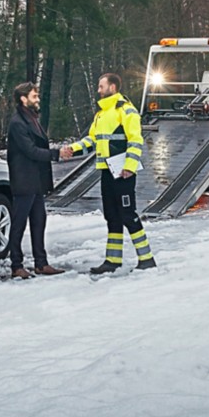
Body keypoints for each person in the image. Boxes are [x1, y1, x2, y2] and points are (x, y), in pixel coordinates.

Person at [62, 73, 157, 273]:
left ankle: (146, 259)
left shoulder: (126, 110)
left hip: (123, 172)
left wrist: (130, 167)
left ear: (112, 87)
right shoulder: (101, 114)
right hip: (107, 171)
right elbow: (92, 140)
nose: (98, 90)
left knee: (127, 214)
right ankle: (112, 261)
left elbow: (135, 140)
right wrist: (73, 148)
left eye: (101, 86)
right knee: (112, 216)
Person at [6, 82, 66, 279]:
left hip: (35, 181)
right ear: (23, 99)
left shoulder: (31, 118)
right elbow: (30, 150)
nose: (37, 99)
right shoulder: (18, 123)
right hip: (24, 180)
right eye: (34, 96)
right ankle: (16, 265)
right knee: (19, 224)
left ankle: (41, 263)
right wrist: (56, 153)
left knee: (39, 221)